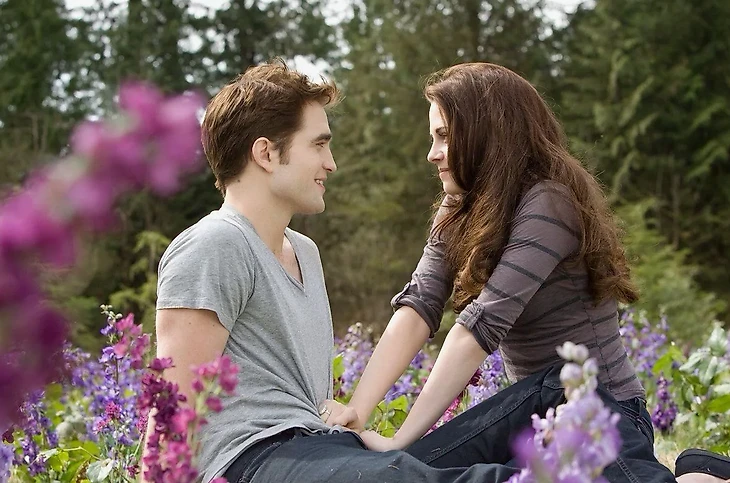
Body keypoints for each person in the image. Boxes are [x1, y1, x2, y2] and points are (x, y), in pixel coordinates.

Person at [335, 62, 728, 483]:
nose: (432, 153)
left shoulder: (550, 202)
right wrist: (355, 412)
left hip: (601, 410)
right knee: (404, 473)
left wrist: (398, 440)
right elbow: (418, 306)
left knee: (413, 457)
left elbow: (479, 329)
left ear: (487, 132)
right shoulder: (458, 207)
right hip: (534, 412)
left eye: (444, 136)